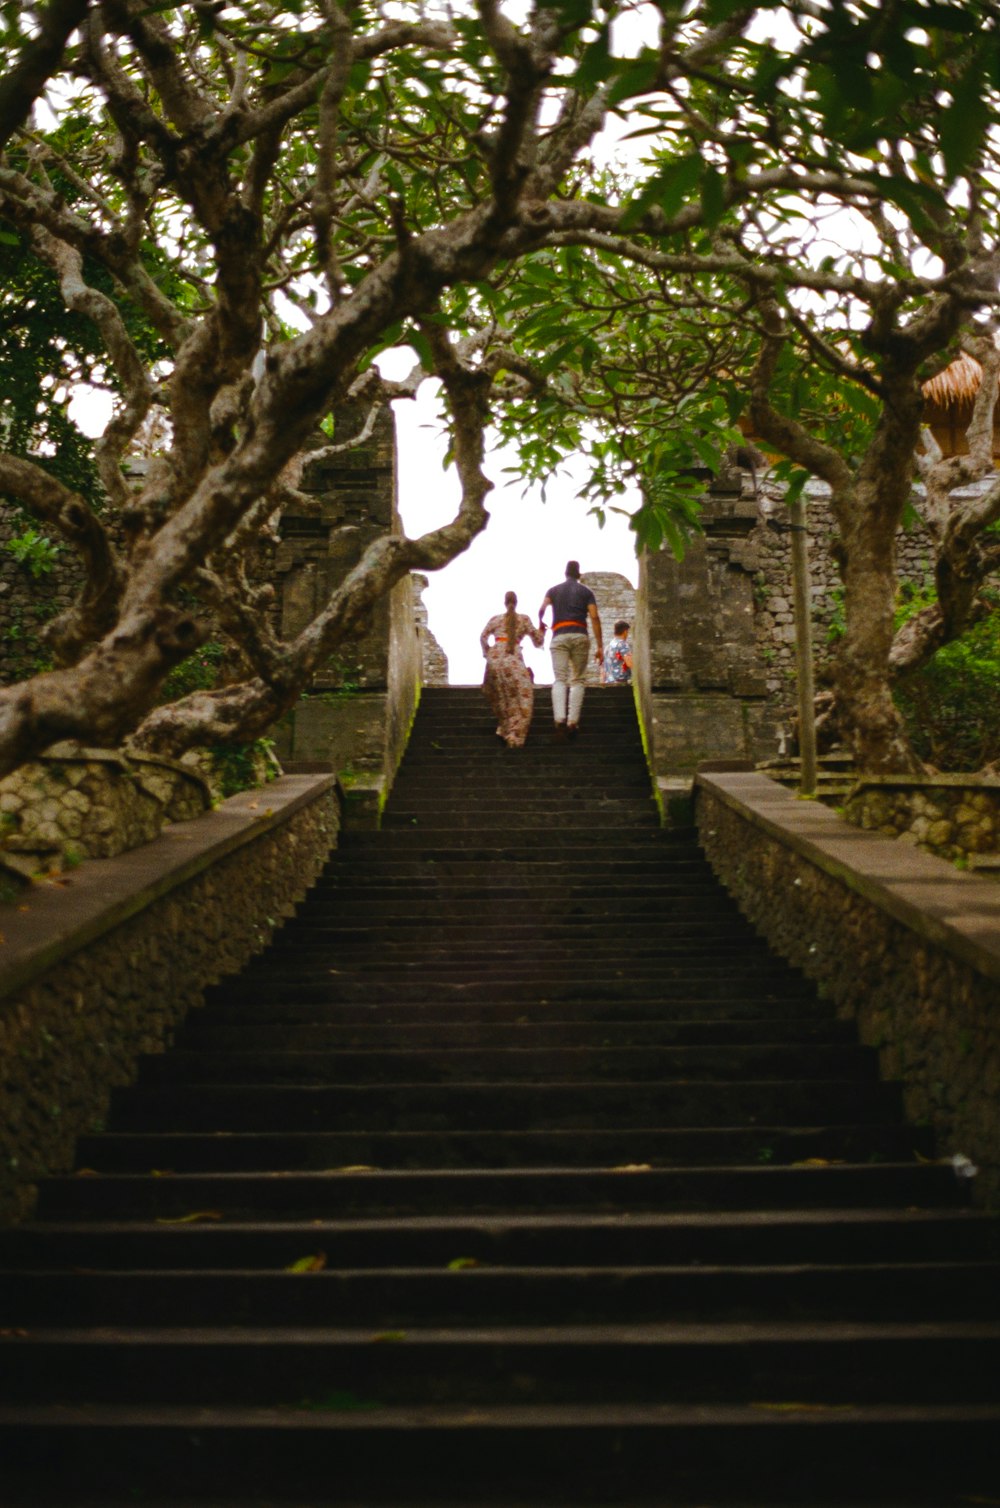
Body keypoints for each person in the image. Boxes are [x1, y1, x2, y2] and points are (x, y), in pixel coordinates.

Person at [538, 560, 603, 739]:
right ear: (579, 574)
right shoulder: (586, 592)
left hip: (559, 635)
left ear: (565, 573)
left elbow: (542, 608)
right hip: (579, 634)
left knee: (559, 678)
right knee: (577, 680)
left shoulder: (553, 591)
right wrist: (599, 646)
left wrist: (541, 624)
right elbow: (594, 617)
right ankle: (573, 721)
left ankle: (559, 718)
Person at [479, 590, 546, 747]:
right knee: (523, 695)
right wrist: (542, 629)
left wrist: (487, 653)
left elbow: (482, 637)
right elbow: (538, 641)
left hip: (494, 659)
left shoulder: (495, 619)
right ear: (516, 602)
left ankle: (504, 727)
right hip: (512, 659)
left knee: (502, 696)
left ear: (505, 602)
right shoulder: (523, 619)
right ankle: (515, 734)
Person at [602, 620, 633, 685]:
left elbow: (603, 668)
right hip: (620, 683)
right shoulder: (622, 644)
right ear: (625, 632)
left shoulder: (608, 647)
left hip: (608, 683)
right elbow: (630, 663)